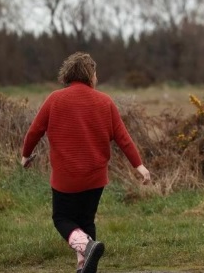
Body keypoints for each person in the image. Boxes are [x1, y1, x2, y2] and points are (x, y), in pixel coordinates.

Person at [21, 52, 151, 273]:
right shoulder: (105, 102)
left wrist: (25, 155)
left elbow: (34, 131)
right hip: (95, 178)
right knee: (86, 220)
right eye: (95, 73)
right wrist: (139, 166)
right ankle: (85, 266)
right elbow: (123, 138)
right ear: (90, 74)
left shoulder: (55, 99)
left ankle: (87, 247)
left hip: (66, 178)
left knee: (61, 218)